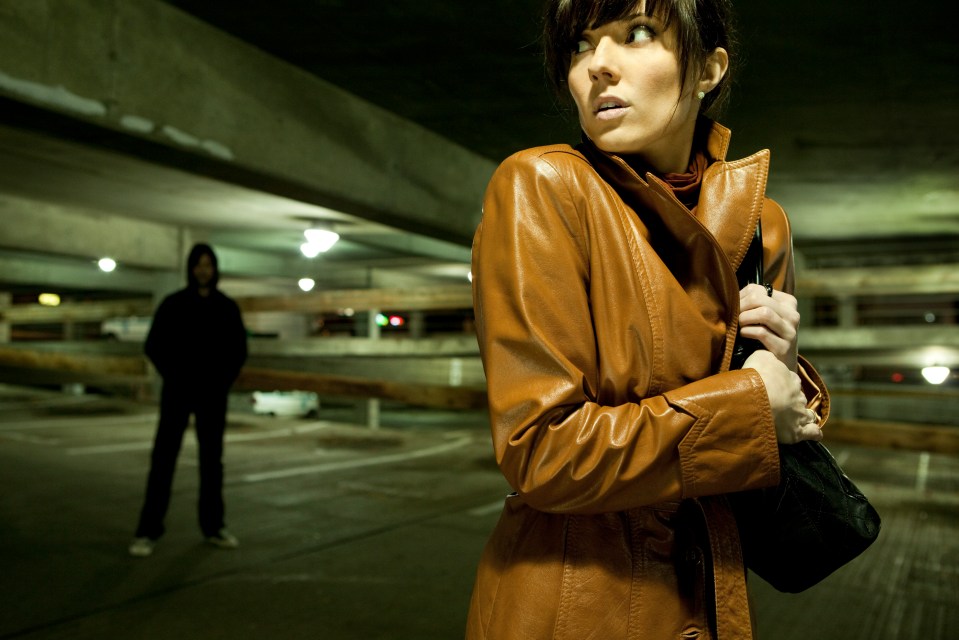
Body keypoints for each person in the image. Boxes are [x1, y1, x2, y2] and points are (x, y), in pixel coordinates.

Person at [466, 0, 829, 637]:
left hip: (707, 594)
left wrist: (786, 374)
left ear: (709, 69)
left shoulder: (761, 224)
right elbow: (541, 452)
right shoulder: (543, 186)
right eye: (581, 45)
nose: (598, 66)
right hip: (575, 603)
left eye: (637, 34)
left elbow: (763, 438)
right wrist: (750, 405)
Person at [129, 243, 248, 557]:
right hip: (178, 393)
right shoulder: (174, 304)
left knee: (212, 463)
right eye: (198, 265)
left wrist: (221, 381)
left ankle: (214, 527)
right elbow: (153, 345)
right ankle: (148, 531)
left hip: (212, 395)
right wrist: (175, 375)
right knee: (163, 460)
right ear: (191, 269)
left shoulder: (226, 307)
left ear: (215, 268)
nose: (203, 270)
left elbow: (238, 350)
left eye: (208, 264)